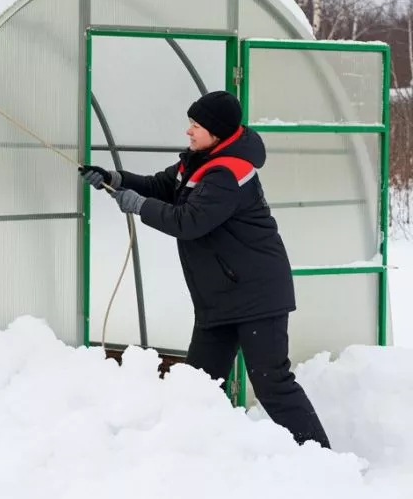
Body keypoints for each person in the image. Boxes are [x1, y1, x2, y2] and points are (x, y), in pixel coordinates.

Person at [78, 90, 331, 449]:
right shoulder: (199, 162)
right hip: (221, 297)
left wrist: (139, 206)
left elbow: (189, 222)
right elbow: (160, 185)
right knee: (198, 384)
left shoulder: (229, 172)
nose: (188, 131)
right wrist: (116, 179)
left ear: (217, 132)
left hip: (257, 294)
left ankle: (321, 459)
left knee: (271, 382)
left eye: (196, 125)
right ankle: (196, 459)